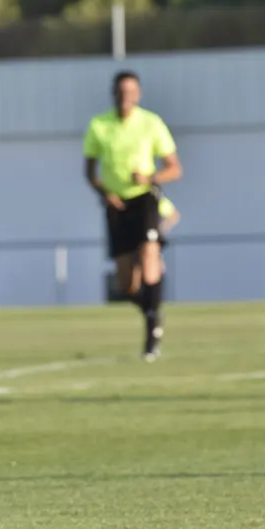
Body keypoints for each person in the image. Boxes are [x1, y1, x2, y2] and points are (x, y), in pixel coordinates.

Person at [84, 70, 182, 362]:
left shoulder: (151, 123)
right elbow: (89, 171)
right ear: (113, 94)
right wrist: (104, 192)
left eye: (131, 91)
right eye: (121, 91)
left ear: (138, 95)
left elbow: (174, 168)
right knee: (127, 283)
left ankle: (152, 335)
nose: (126, 96)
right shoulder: (99, 126)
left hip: (145, 200)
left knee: (150, 255)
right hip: (116, 206)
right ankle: (152, 308)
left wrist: (150, 175)